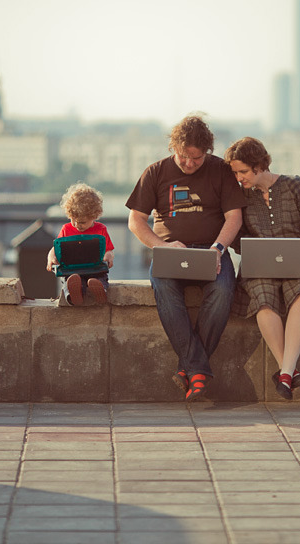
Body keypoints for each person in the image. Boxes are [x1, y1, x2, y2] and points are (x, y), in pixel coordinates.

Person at [126, 114, 246, 402]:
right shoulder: (155, 172)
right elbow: (136, 221)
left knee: (223, 291)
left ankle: (189, 369)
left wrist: (217, 249)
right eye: (184, 157)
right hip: (169, 251)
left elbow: (234, 217)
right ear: (173, 148)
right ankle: (198, 370)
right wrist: (161, 246)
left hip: (211, 250)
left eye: (197, 158)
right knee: (165, 290)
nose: (190, 163)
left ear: (207, 152)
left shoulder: (220, 170)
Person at [224, 136, 300, 400]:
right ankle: (288, 372)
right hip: (260, 266)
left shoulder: (295, 185)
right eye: (235, 172)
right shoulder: (241, 195)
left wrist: (296, 251)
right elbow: (238, 237)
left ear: (260, 165)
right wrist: (255, 249)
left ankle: (285, 373)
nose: (239, 177)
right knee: (263, 300)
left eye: (243, 171)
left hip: (299, 262)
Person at [46, 182, 115, 306]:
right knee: (71, 280)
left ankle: (100, 291)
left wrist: (109, 257)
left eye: (82, 222)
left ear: (94, 216)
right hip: (72, 269)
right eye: (74, 220)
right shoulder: (66, 229)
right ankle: (74, 295)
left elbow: (108, 250)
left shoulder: (101, 229)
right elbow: (55, 247)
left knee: (100, 277)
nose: (78, 225)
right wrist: (51, 258)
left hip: (94, 268)